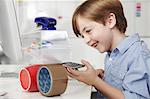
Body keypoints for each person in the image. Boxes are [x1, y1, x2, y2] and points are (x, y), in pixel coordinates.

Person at [66, 0, 150, 99]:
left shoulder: (138, 54)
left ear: (110, 21)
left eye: (88, 31)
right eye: (82, 36)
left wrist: (95, 81)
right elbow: (120, 85)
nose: (86, 40)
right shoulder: (112, 53)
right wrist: (103, 79)